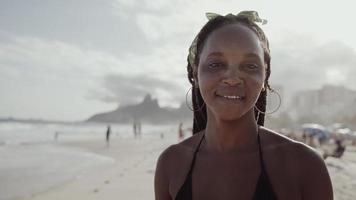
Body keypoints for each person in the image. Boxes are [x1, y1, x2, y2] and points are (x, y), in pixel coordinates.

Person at [154, 11, 333, 200]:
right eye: (216, 64)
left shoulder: (304, 166)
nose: (232, 79)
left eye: (250, 66)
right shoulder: (171, 164)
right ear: (196, 73)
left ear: (265, 76)